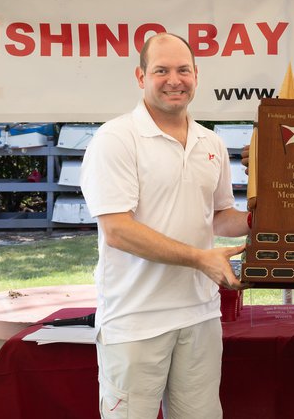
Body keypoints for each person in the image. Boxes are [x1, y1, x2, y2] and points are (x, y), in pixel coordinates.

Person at [80, 32, 248, 419]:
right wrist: (199, 260)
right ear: (141, 77)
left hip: (200, 314)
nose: (175, 79)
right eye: (161, 70)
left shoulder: (211, 142)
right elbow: (118, 230)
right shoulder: (116, 139)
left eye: (183, 70)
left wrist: (273, 216)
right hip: (135, 319)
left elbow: (221, 217)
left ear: (196, 75)